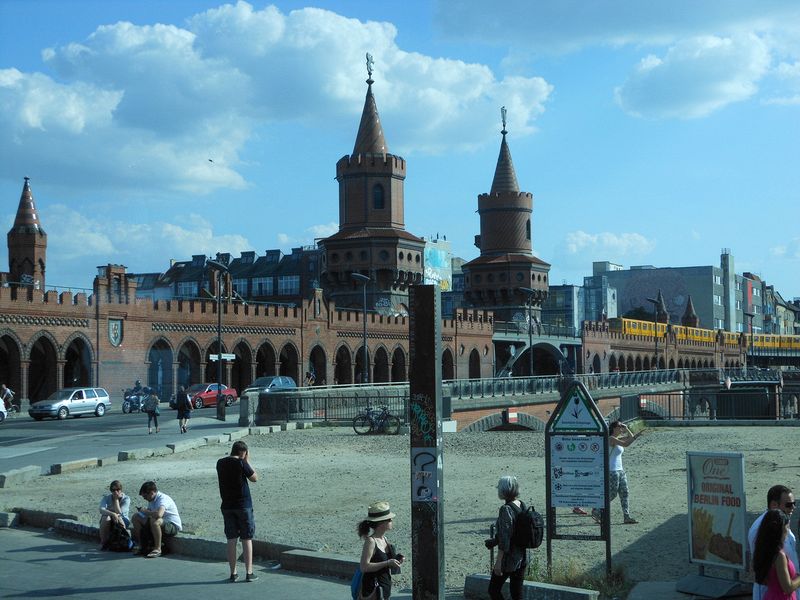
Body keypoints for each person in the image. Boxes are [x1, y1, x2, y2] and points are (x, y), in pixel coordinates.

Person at [217, 441, 259, 583]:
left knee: (231, 539)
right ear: (243, 452)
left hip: (227, 505)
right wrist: (247, 461)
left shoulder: (220, 463)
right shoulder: (241, 463)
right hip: (243, 505)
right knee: (247, 538)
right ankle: (249, 572)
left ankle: (233, 573)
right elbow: (254, 478)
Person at [749, 486, 798, 600]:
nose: (793, 508)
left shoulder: (781, 522)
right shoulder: (761, 528)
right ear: (774, 505)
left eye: (794, 503)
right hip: (773, 593)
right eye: (789, 504)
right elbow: (760, 564)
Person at [592, 420, 639, 525]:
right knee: (612, 494)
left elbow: (629, 439)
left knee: (625, 493)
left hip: (620, 470)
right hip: (611, 470)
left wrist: (627, 429)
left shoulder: (617, 439)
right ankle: (597, 510)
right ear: (613, 428)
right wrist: (629, 431)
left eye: (621, 427)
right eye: (619, 426)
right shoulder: (611, 439)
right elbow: (626, 444)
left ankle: (626, 516)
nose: (621, 428)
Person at [488, 475, 527, 600]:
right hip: (523, 557)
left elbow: (505, 539)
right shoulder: (521, 504)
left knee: (493, 590)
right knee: (517, 594)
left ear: (503, 490)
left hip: (509, 559)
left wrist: (498, 563)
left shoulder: (506, 509)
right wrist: (494, 541)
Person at [357, 501, 404, 599]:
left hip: (384, 588)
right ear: (382, 523)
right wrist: (387, 563)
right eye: (390, 519)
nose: (392, 521)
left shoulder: (384, 539)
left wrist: (395, 561)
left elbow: (383, 561)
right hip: (373, 590)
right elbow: (364, 567)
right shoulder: (371, 542)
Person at [131, 481, 182, 558]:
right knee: (136, 517)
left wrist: (145, 511)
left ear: (151, 492)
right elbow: (150, 514)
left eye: (145, 496)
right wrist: (143, 513)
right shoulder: (151, 500)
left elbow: (159, 514)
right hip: (161, 524)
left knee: (154, 520)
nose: (145, 499)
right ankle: (142, 546)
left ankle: (158, 549)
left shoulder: (163, 499)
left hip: (172, 526)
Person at [98, 480, 131, 550]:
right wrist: (112, 514)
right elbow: (101, 510)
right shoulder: (106, 498)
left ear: (121, 490)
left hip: (123, 520)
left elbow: (120, 512)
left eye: (118, 489)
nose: (116, 492)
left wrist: (116, 499)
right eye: (113, 490)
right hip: (110, 520)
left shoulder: (126, 499)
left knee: (119, 517)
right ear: (111, 491)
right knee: (106, 517)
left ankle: (123, 541)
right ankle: (103, 542)